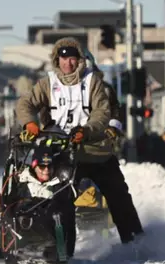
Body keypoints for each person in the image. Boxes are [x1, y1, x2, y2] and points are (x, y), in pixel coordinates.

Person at [16, 36, 143, 245]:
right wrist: (29, 123)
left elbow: (104, 112)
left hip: (94, 150)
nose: (69, 63)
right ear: (57, 61)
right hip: (59, 153)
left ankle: (135, 241)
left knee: (118, 193)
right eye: (63, 59)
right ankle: (51, 243)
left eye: (73, 58)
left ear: (82, 60)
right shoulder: (47, 83)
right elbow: (25, 103)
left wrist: (90, 131)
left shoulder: (95, 83)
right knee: (54, 196)